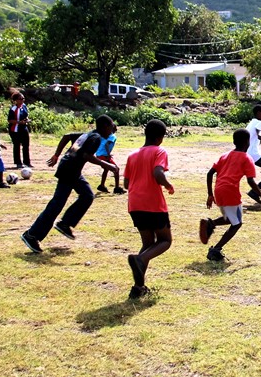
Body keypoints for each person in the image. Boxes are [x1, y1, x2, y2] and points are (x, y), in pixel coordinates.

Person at [19, 115, 119, 253]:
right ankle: (32, 235)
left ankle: (65, 223)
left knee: (87, 195)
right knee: (57, 204)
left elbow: (66, 136)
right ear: (105, 126)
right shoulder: (96, 138)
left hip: (71, 169)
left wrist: (56, 155)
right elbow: (86, 156)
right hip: (69, 171)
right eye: (111, 126)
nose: (112, 129)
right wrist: (106, 165)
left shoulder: (88, 134)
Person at [199, 128, 261, 261]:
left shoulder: (225, 155)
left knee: (231, 218)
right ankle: (216, 249)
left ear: (234, 141)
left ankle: (210, 224)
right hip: (231, 191)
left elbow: (210, 173)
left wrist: (210, 194)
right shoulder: (246, 158)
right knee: (237, 224)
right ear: (247, 142)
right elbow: (250, 181)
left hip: (218, 190)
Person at [124, 119, 174, 299]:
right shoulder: (159, 151)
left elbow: (126, 182)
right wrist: (168, 185)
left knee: (147, 243)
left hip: (135, 204)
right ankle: (141, 259)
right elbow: (157, 173)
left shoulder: (133, 154)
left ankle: (138, 288)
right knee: (165, 240)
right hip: (152, 203)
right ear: (160, 137)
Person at [96, 124, 125, 194]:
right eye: (115, 128)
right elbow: (106, 145)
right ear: (112, 129)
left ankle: (102, 185)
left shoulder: (104, 135)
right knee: (116, 169)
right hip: (104, 155)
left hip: (99, 154)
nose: (117, 129)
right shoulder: (112, 136)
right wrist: (108, 154)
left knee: (106, 169)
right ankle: (117, 188)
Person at [7, 91, 32, 169]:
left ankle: (27, 162)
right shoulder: (13, 109)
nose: (22, 100)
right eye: (20, 99)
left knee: (26, 145)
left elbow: (26, 115)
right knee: (17, 145)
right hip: (15, 129)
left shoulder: (24, 106)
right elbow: (10, 120)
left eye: (23, 99)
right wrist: (19, 122)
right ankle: (18, 162)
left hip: (23, 128)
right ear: (16, 100)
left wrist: (26, 120)